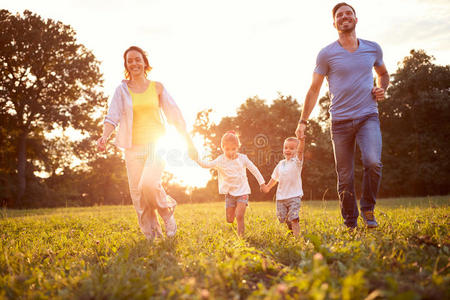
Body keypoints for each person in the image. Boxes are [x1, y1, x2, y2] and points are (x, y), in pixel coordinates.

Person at [295, 2, 389, 229]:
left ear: (356, 19)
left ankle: (367, 208)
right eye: (340, 15)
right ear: (334, 23)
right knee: (344, 176)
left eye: (349, 13)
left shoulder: (372, 48)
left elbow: (383, 74)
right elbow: (314, 89)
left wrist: (382, 88)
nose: (345, 17)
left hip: (368, 116)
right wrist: (302, 121)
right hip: (340, 122)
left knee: (373, 161)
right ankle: (350, 222)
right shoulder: (326, 54)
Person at [96, 46, 197, 240]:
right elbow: (112, 116)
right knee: (138, 195)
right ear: (126, 65)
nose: (134, 63)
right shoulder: (122, 90)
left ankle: (166, 212)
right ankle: (152, 235)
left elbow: (175, 115)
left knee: (149, 184)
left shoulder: (157, 87)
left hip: (157, 144)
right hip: (132, 147)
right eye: (130, 61)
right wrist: (104, 136)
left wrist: (189, 142)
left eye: (137, 59)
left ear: (144, 63)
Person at [195, 131, 265, 237]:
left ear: (238, 147)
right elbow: (206, 164)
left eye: (233, 149)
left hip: (243, 191)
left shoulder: (243, 158)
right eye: (227, 149)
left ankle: (241, 239)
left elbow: (254, 169)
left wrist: (262, 183)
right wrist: (196, 158)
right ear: (222, 147)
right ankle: (234, 218)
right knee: (230, 219)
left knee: (239, 216)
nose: (230, 152)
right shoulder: (220, 160)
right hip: (229, 194)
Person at [261, 137, 305, 237]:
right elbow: (274, 178)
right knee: (282, 218)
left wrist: (302, 141)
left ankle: (297, 237)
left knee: (294, 217)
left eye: (292, 148)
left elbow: (301, 151)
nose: (288, 150)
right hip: (281, 198)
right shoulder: (281, 164)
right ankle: (291, 230)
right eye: (286, 147)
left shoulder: (297, 162)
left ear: (296, 150)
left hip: (294, 196)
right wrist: (268, 187)